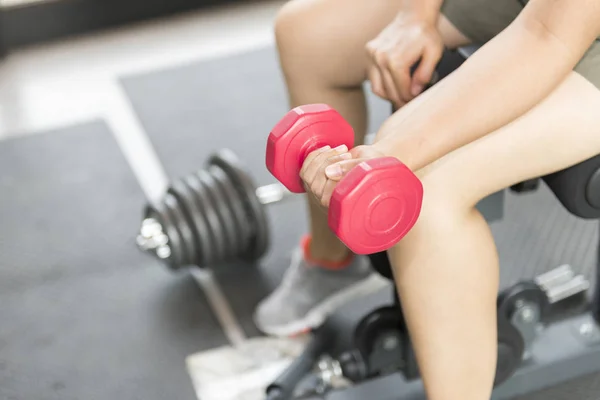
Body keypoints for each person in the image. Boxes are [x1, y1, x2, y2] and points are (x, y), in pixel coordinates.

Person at [254, 0, 600, 398]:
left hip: (559, 26)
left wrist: (396, 149)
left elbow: (545, 37)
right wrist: (415, 16)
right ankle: (332, 264)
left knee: (422, 183)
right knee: (306, 36)